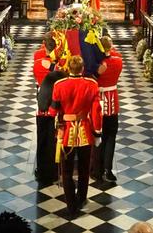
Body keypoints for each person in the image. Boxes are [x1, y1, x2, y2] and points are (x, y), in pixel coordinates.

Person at [51, 56, 103, 215]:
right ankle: (81, 198)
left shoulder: (59, 85)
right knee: (84, 168)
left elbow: (54, 110)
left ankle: (70, 204)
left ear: (68, 68)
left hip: (66, 131)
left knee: (66, 171)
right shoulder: (91, 84)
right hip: (85, 131)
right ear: (82, 68)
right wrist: (98, 132)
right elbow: (96, 111)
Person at [94, 38, 122, 182]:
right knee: (110, 137)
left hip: (98, 104)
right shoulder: (117, 61)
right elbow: (115, 54)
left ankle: (96, 169)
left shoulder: (96, 64)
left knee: (97, 136)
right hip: (112, 103)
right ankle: (108, 169)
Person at [34, 36, 58, 185]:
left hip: (42, 102)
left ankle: (42, 169)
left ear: (45, 47)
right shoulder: (59, 66)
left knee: (42, 137)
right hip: (54, 104)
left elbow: (37, 78)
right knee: (53, 137)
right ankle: (53, 169)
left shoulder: (37, 63)